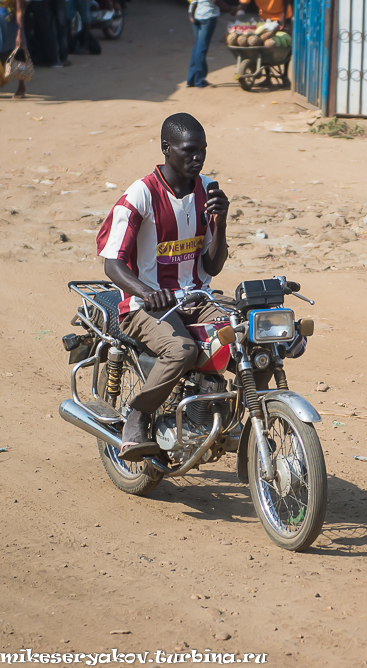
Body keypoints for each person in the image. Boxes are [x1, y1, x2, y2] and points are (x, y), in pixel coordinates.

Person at [96, 113, 231, 461]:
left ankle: (236, 419)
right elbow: (112, 262)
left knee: (245, 338)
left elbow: (213, 265)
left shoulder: (208, 190)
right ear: (166, 148)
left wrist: (221, 220)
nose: (197, 158)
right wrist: (143, 291)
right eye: (189, 151)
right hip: (146, 306)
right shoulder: (141, 194)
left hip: (197, 298)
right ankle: (138, 417)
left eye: (202, 150)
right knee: (182, 351)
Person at [187, 0, 235, 88]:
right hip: (207, 17)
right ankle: (199, 80)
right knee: (202, 47)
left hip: (196, 15)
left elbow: (194, 2)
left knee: (197, 45)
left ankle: (191, 79)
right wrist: (231, 9)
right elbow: (217, 1)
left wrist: (191, 15)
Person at [0, 0, 28, 97]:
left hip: (11, 24)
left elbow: (20, 10)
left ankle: (21, 85)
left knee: (17, 55)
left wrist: (19, 33)